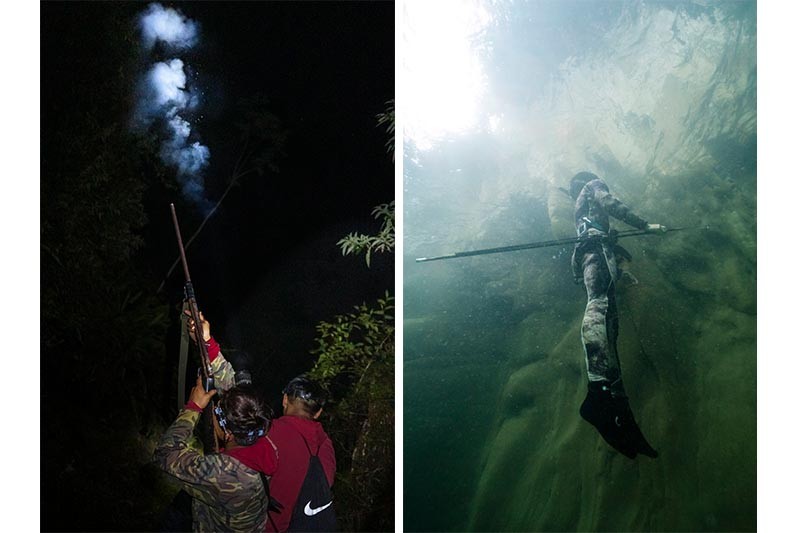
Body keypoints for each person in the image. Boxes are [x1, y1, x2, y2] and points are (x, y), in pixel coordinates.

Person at [568, 171, 665, 459]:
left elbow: (583, 254)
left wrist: (619, 270)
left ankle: (620, 411)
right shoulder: (593, 185)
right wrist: (644, 225)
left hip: (593, 253)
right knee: (599, 307)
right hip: (597, 250)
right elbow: (610, 202)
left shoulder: (579, 212)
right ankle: (598, 390)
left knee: (610, 329)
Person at [154, 376, 279, 532]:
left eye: (215, 410)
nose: (212, 411)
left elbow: (165, 453)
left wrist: (193, 407)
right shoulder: (265, 444)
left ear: (228, 432)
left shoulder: (223, 473)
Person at [266, 375, 336, 532]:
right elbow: (328, 482)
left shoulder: (270, 432)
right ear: (318, 413)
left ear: (285, 400)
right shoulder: (325, 443)